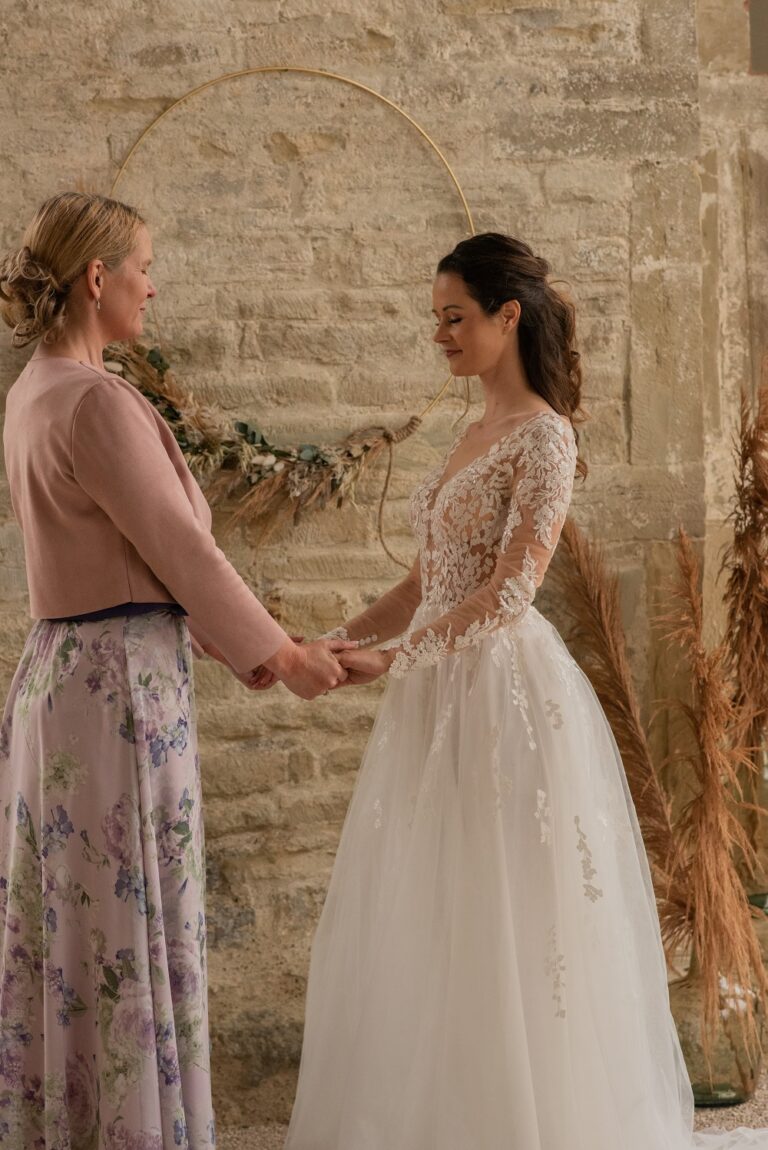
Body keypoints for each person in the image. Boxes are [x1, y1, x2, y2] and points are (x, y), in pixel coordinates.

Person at [282, 233, 768, 1149]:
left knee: (509, 908)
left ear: (508, 316)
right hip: (436, 696)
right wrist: (343, 639)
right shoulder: (471, 432)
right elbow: (426, 580)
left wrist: (397, 660)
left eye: (454, 317)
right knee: (438, 907)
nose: (441, 335)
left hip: (503, 697)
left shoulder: (546, 435)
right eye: (436, 319)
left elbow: (510, 590)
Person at [0, 191, 352, 1150]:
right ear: (97, 278)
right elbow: (180, 553)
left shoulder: (31, 392)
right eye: (144, 268)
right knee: (126, 917)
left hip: (61, 674)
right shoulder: (95, 402)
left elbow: (121, 559)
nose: (152, 287)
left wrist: (231, 645)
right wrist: (282, 653)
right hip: (115, 689)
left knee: (78, 921)